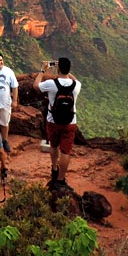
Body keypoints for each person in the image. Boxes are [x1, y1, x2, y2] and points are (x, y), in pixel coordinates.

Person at [33, 57, 80, 190]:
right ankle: (60, 180)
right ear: (69, 69)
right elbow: (74, 80)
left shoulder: (51, 84)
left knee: (54, 146)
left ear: (58, 69)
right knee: (66, 151)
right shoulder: (77, 85)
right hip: (70, 122)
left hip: (53, 121)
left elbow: (35, 86)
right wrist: (66, 71)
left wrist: (43, 70)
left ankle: (54, 169)